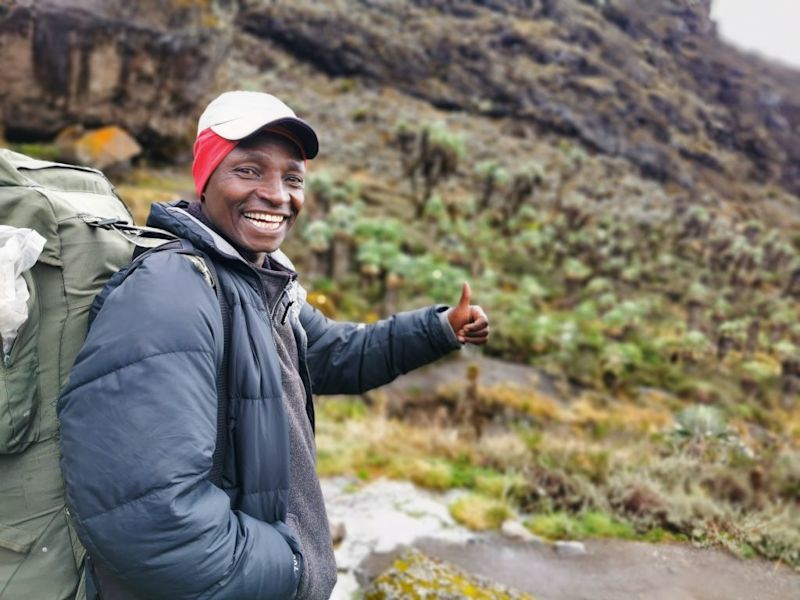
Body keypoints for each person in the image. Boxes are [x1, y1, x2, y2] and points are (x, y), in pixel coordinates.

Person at [57, 90, 489, 599]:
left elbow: (335, 353)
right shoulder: (171, 291)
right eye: (248, 170)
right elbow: (149, 517)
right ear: (206, 177)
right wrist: (292, 567)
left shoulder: (256, 283)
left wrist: (438, 328)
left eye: (292, 178)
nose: (278, 195)